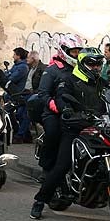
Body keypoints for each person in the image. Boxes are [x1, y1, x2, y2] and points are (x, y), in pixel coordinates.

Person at [29, 50, 105, 219]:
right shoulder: (68, 79)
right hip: (74, 127)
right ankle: (40, 201)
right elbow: (62, 97)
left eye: (98, 64)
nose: (95, 68)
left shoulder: (102, 83)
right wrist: (67, 109)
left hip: (97, 127)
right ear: (82, 64)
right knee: (62, 165)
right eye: (91, 64)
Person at [34, 35, 84, 172]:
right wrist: (55, 107)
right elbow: (43, 93)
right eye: (74, 51)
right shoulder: (52, 70)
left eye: (79, 51)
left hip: (75, 112)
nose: (77, 54)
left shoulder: (81, 70)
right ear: (64, 51)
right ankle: (46, 167)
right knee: (53, 132)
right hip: (54, 112)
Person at [6, 47, 31, 142]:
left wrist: (8, 75)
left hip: (19, 94)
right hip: (15, 94)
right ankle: (25, 134)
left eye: (14, 54)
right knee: (20, 114)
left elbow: (11, 78)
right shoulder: (17, 65)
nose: (13, 56)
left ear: (19, 56)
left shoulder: (22, 67)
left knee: (15, 112)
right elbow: (8, 75)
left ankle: (19, 133)